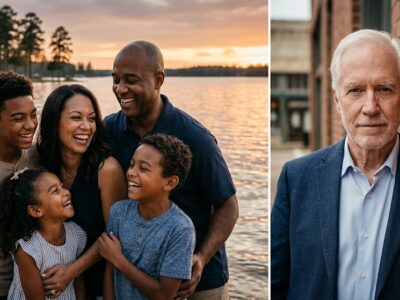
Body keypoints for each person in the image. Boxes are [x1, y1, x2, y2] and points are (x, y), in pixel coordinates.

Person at [271, 29, 400, 300]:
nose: (370, 107)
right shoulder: (296, 179)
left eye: (384, 89)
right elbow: (276, 282)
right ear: (337, 99)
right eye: (355, 90)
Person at [104, 40, 239, 299]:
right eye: (115, 79)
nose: (120, 89)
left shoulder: (196, 137)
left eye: (131, 79)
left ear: (158, 80)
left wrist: (201, 257)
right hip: (137, 281)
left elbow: (228, 205)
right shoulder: (109, 130)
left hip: (197, 282)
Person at [35, 85, 127, 299]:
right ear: (54, 121)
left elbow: (115, 236)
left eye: (92, 118)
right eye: (76, 118)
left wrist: (73, 270)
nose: (87, 127)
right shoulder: (42, 166)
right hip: (52, 286)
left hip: (100, 286)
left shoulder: (107, 169)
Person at [98, 133, 196, 299]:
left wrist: (119, 260)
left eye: (143, 169)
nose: (131, 173)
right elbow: (110, 272)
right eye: (131, 165)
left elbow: (164, 294)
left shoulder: (181, 229)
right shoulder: (119, 212)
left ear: (170, 182)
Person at [0, 168, 86, 299]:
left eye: (62, 187)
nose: (66, 192)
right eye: (55, 191)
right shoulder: (28, 251)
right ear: (35, 210)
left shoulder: (76, 233)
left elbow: (78, 279)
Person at [0, 71, 38, 299]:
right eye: (18, 118)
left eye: (33, 115)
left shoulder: (37, 156)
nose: (30, 125)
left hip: (38, 286)